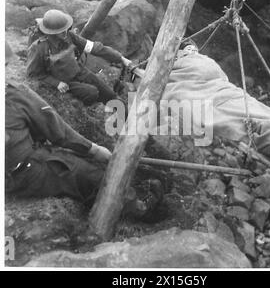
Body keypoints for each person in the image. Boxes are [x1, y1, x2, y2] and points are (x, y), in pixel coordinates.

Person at [6, 41, 162, 216]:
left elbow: (96, 48)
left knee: (97, 95)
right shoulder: (13, 94)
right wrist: (93, 149)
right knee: (88, 173)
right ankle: (139, 210)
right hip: (21, 171)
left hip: (15, 167)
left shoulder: (69, 37)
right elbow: (56, 130)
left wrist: (123, 60)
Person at [162, 40, 270, 166]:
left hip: (216, 84)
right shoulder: (195, 60)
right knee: (240, 110)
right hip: (212, 84)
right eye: (187, 48)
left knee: (242, 109)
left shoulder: (196, 60)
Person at [26, 9, 132, 106]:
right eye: (60, 31)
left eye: (65, 29)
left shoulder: (70, 36)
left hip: (79, 72)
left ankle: (126, 117)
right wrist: (56, 83)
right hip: (64, 81)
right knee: (92, 93)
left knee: (109, 94)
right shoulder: (39, 48)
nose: (65, 33)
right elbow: (33, 74)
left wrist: (120, 58)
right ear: (51, 32)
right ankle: (94, 110)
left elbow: (93, 47)